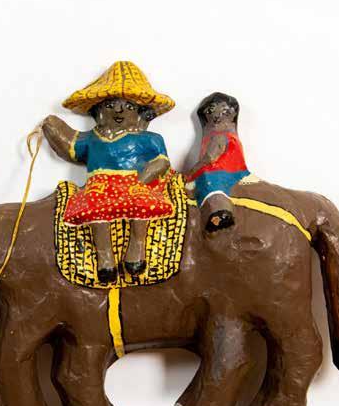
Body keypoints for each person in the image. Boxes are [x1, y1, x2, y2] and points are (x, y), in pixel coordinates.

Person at [42, 61, 175, 283]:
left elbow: (162, 162)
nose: (119, 111)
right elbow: (71, 149)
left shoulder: (149, 139)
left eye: (129, 106)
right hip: (99, 187)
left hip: (135, 182)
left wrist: (143, 179)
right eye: (111, 105)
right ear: (98, 111)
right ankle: (105, 256)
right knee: (95, 210)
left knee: (140, 207)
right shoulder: (91, 138)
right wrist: (53, 127)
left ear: (142, 113)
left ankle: (137, 246)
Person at [185, 92, 250, 232]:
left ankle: (220, 212)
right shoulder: (220, 135)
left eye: (222, 110)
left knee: (209, 183)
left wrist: (191, 172)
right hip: (229, 170)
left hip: (223, 171)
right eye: (210, 111)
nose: (215, 115)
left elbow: (210, 157)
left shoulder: (219, 137)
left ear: (231, 114)